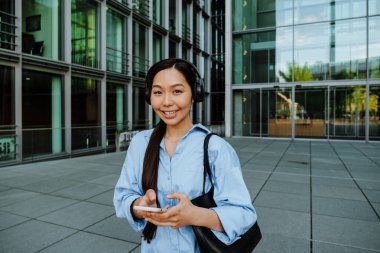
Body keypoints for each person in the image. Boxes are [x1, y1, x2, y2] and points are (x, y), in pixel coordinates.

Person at [113, 58, 257, 252]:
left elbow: (244, 214)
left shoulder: (215, 148)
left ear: (194, 94)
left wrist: (195, 215)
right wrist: (139, 205)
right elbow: (123, 197)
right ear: (149, 96)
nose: (166, 102)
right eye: (158, 92)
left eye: (177, 91)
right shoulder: (140, 143)